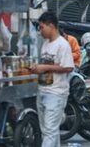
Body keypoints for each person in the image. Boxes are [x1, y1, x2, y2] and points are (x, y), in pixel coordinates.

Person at [31, 12, 74, 147]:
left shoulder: (63, 44)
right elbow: (46, 64)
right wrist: (37, 67)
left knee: (50, 130)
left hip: (56, 93)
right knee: (47, 131)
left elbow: (68, 67)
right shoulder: (45, 44)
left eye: (42, 27)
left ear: (51, 26)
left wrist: (43, 67)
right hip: (42, 89)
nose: (40, 30)